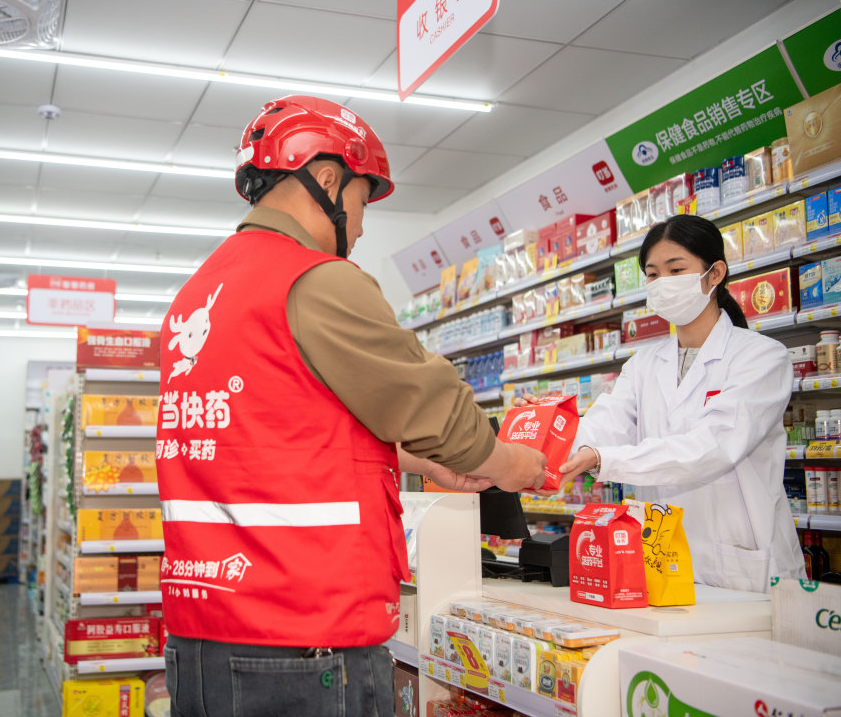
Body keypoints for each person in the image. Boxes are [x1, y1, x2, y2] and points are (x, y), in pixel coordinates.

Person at [156, 95, 546, 717]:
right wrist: (511, 464)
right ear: (328, 178)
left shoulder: (199, 294)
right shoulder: (312, 277)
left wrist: (410, 458)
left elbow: (274, 431)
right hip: (304, 636)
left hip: (202, 633)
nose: (361, 227)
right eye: (363, 201)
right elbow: (435, 405)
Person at [554, 214, 804, 592]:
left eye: (676, 269)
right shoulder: (643, 365)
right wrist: (548, 429)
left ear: (714, 273)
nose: (663, 283)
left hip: (744, 565)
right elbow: (605, 424)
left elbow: (712, 446)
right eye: (653, 274)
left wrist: (605, 459)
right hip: (662, 562)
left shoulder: (762, 357)